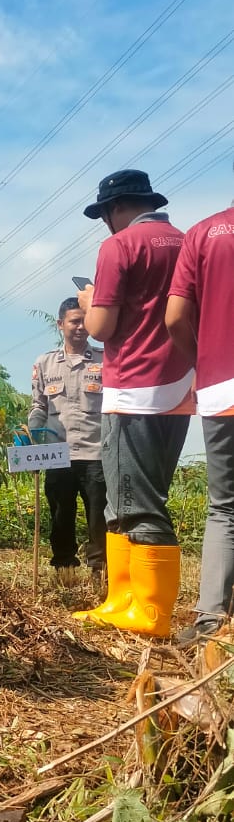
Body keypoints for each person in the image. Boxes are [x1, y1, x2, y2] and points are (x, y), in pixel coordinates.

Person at [74, 169, 193, 637]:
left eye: (105, 214)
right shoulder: (186, 241)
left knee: (136, 504)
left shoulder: (119, 246)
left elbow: (101, 328)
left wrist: (87, 301)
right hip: (181, 385)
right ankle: (122, 598)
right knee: (137, 497)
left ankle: (149, 613)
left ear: (115, 208)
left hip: (134, 387)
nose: (105, 223)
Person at [166, 188, 234, 642]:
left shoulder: (205, 232)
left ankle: (210, 620)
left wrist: (203, 362)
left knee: (225, 507)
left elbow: (174, 318)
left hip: (220, 386)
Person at [29, 297, 106, 577]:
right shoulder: (45, 363)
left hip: (95, 452)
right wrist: (32, 432)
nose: (81, 327)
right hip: (57, 453)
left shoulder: (104, 360)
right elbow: (38, 406)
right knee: (61, 514)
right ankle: (64, 568)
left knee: (99, 517)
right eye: (75, 321)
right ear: (61, 324)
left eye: (85, 321)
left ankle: (100, 570)